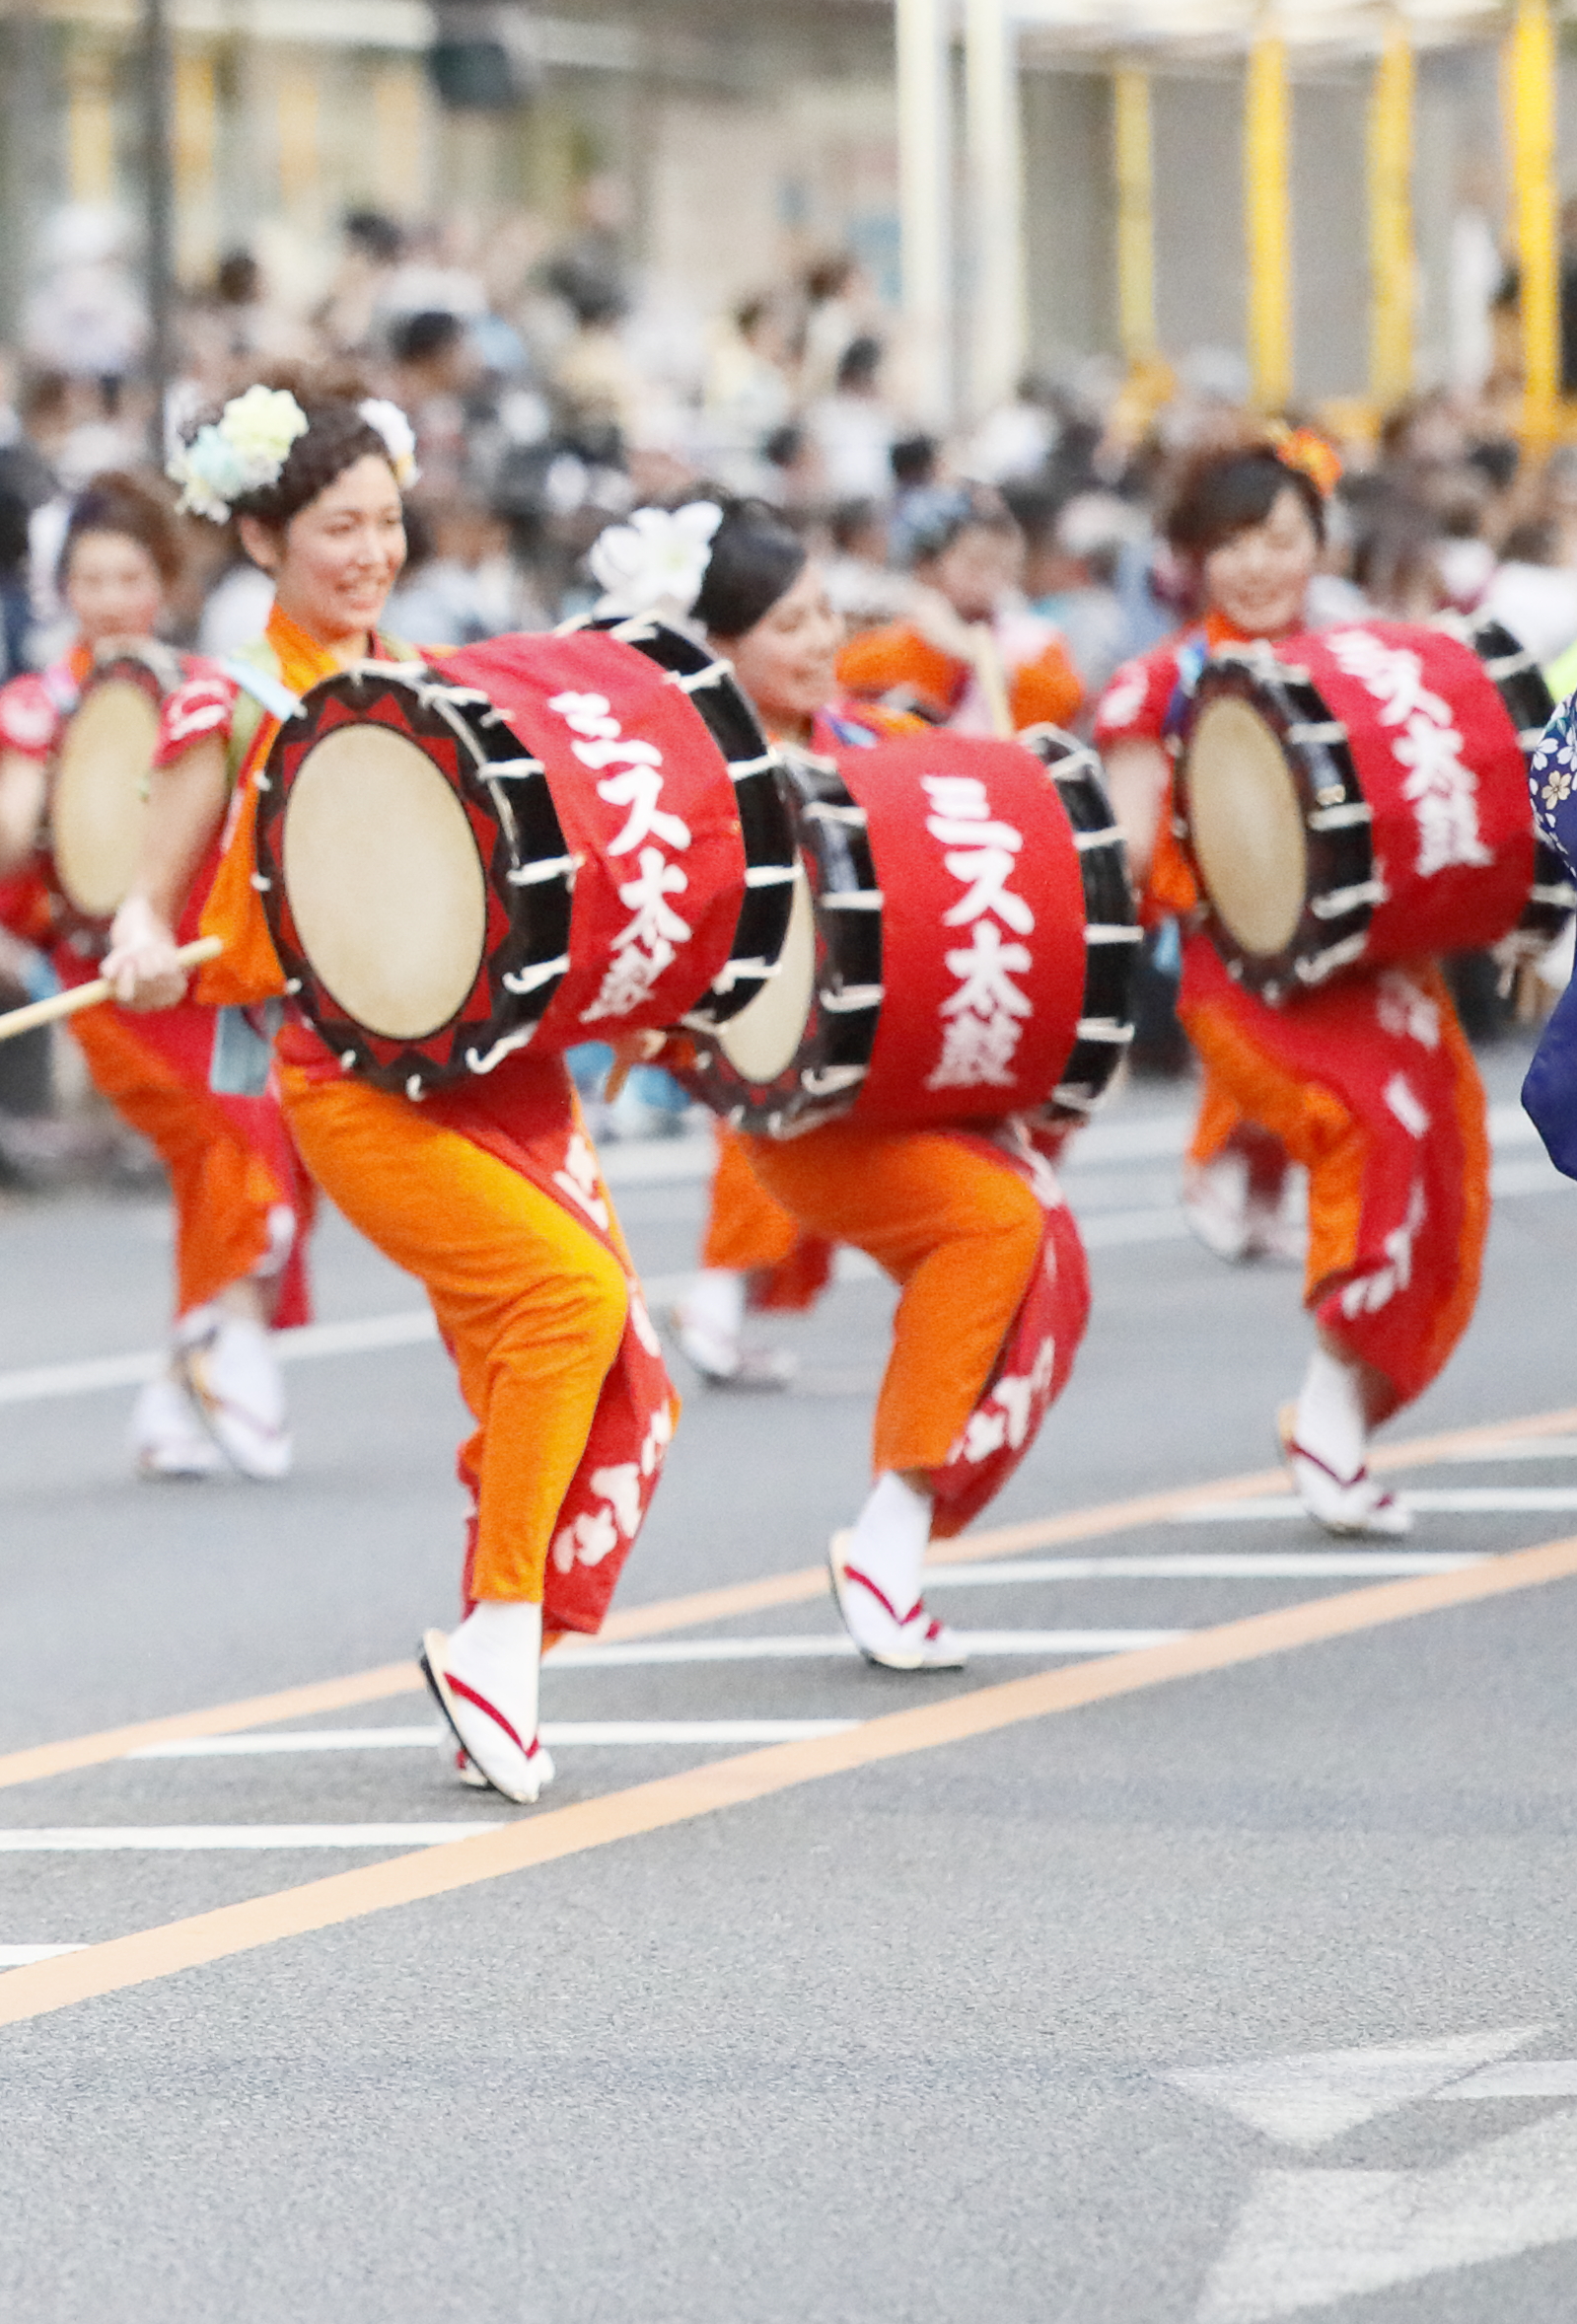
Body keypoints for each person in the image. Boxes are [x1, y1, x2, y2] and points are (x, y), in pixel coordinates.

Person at [102, 377, 675, 1807]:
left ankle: (502, 1650)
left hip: (503, 1070)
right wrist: (145, 946)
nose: (370, 553)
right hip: (353, 1083)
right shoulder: (228, 700)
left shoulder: (439, 680)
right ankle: (497, 1641)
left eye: (384, 523)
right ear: (263, 541)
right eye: (337, 530)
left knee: (556, 1355)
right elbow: (143, 901)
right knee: (566, 1302)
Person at [634, 503, 1092, 1669]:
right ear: (719, 643)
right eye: (788, 624)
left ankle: (902, 1527)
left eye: (825, 615)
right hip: (803, 1102)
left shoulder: (881, 732)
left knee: (1049, 1271)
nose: (820, 641)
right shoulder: (688, 777)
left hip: (921, 1069)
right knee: (997, 1227)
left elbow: (1006, 807)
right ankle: (892, 1534)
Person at [1089, 434, 1492, 1538]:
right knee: (1367, 1126)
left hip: (1388, 972)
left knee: (1447, 1172)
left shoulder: (1369, 663)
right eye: (1232, 544)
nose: (1258, 565)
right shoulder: (1156, 684)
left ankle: (1348, 1404)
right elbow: (1127, 852)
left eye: (1280, 539)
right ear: (1193, 559)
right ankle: (1327, 1402)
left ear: (1321, 545)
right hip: (1243, 982)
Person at [0, 472, 312, 1482]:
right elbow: (8, 847)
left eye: (129, 578)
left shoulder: (210, 690)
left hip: (214, 970)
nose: (109, 600)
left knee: (248, 1149)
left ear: (165, 585)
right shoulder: (40, 704)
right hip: (109, 978)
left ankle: (175, 1392)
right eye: (90, 580)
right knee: (225, 1139)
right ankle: (234, 1344)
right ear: (63, 589)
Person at [838, 484, 1083, 737]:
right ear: (943, 561)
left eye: (1001, 566)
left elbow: (1065, 703)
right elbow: (846, 678)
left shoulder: (1038, 639)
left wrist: (972, 653)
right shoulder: (914, 629)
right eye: (974, 563)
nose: (986, 577)